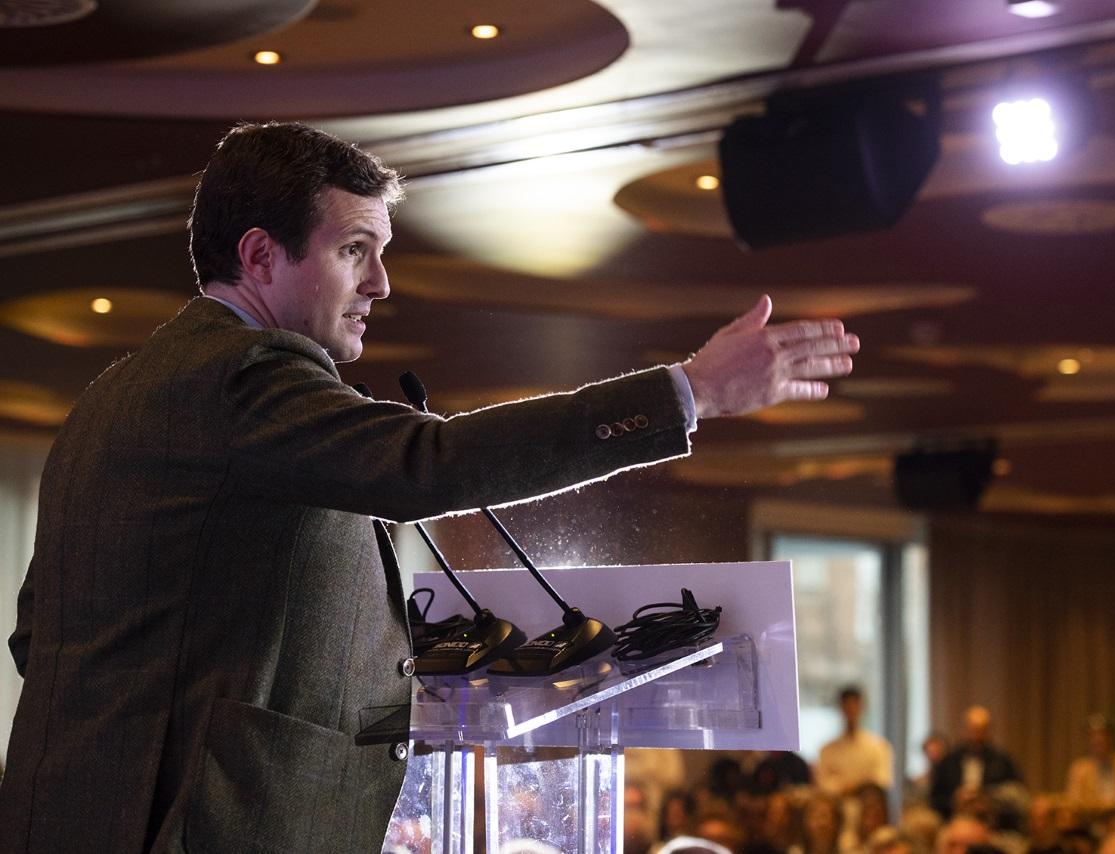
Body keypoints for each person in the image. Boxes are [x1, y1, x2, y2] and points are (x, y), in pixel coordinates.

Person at [0, 122, 860, 852]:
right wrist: (690, 392)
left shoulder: (112, 395)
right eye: (354, 251)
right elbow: (432, 466)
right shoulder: (246, 375)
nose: (380, 283)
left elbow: (44, 631)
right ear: (261, 256)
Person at [930, 706, 1023, 820]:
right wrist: (954, 799)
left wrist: (986, 798)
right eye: (973, 730)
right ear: (964, 730)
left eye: (981, 731)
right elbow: (934, 799)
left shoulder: (1002, 761)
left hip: (993, 823)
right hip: (953, 822)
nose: (976, 736)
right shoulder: (949, 761)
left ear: (989, 732)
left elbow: (1017, 795)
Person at [816, 684, 894, 796]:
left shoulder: (879, 747)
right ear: (840, 708)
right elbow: (824, 784)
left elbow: (881, 781)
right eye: (846, 705)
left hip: (868, 808)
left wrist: (848, 785)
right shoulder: (827, 750)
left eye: (855, 704)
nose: (851, 710)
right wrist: (859, 783)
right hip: (838, 808)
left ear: (862, 707)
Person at [1064, 715, 1115, 815]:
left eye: (1104, 736)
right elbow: (1075, 803)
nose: (1098, 740)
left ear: (1112, 738)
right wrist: (1109, 806)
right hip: (1090, 821)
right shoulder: (1079, 769)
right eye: (1093, 736)